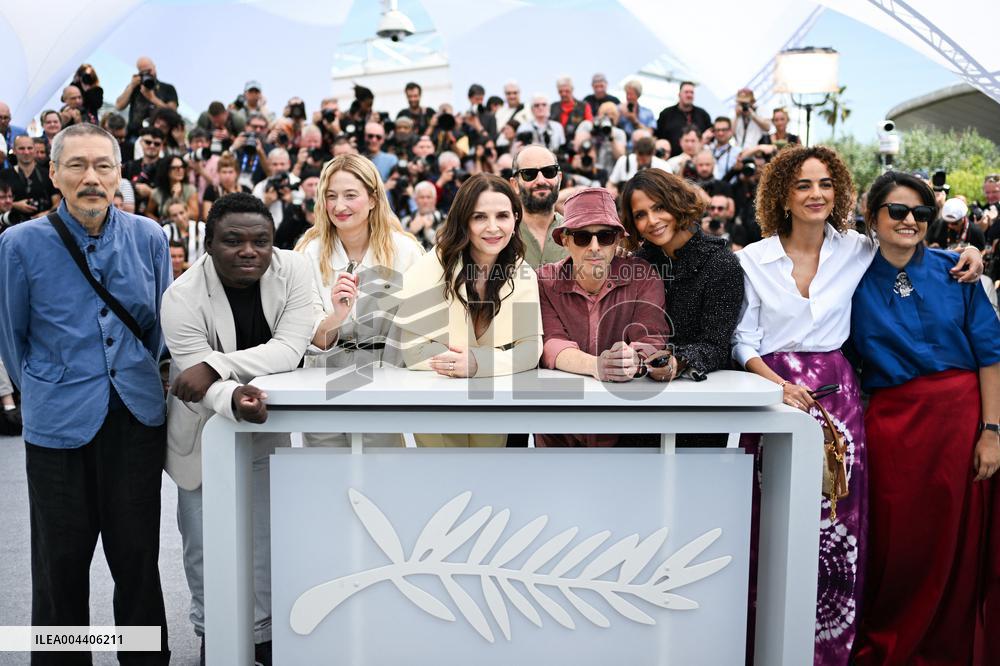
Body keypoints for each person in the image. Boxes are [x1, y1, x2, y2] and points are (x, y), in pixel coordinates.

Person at [731, 145, 983, 664]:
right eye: (803, 185)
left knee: (839, 524)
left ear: (839, 191)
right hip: (774, 393)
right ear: (782, 194)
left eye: (825, 184)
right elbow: (742, 340)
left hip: (839, 398)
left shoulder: (857, 249)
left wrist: (971, 255)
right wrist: (774, 383)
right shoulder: (752, 260)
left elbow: (908, 245)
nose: (816, 194)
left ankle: (830, 649)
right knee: (767, 515)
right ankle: (759, 640)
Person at [0, 123, 172, 663]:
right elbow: (11, 336)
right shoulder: (19, 244)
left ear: (120, 174)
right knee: (59, 563)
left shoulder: (148, 236)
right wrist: (48, 392)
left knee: (138, 558)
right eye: (77, 165)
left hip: (135, 420)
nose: (91, 177)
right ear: (54, 173)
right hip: (56, 427)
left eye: (103, 165)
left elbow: (161, 328)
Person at [847, 171, 1000, 665]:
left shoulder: (957, 270)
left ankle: (948, 651)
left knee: (959, 544)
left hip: (962, 423)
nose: (910, 221)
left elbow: (990, 354)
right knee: (898, 544)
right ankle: (891, 644)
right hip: (892, 426)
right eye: (897, 211)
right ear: (873, 217)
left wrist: (992, 432)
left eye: (921, 213)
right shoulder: (846, 277)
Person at [161, 192, 318, 666]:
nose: (248, 250)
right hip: (202, 432)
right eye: (233, 240)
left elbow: (289, 349)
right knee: (204, 547)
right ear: (208, 244)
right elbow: (190, 383)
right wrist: (227, 392)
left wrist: (213, 365)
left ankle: (264, 638)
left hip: (266, 427)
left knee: (265, 541)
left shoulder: (296, 271)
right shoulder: (181, 297)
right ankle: (214, 634)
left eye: (260, 241)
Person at [394, 174, 542, 447]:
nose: (493, 227)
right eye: (479, 217)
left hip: (491, 402)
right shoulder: (431, 267)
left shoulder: (522, 273)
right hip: (439, 403)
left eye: (502, 215)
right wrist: (462, 364)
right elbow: (413, 349)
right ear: (464, 221)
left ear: (515, 219)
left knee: (488, 480)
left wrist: (477, 364)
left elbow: (531, 349)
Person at [296, 154, 423, 447]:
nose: (339, 207)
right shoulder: (308, 254)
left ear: (373, 199)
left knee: (381, 483)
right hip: (323, 386)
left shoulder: (406, 252)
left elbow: (418, 327)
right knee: (326, 480)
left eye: (350, 195)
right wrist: (337, 316)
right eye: (331, 196)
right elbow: (310, 334)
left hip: (385, 389)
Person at [535, 188, 669, 447]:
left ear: (618, 239)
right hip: (558, 428)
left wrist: (634, 358)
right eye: (583, 237)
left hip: (624, 428)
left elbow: (652, 336)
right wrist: (598, 366)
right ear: (565, 239)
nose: (595, 247)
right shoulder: (544, 280)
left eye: (605, 236)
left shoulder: (643, 276)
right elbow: (551, 343)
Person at [509, 145, 567, 268]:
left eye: (549, 172)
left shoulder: (578, 233)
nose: (541, 180)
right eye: (529, 174)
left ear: (559, 179)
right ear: (515, 184)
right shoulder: (504, 234)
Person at [115, 56, 179, 141]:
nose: (148, 75)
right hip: (134, 135)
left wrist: (153, 99)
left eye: (149, 71)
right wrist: (131, 86)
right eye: (143, 73)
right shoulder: (135, 87)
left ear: (154, 67)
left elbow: (173, 113)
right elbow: (119, 106)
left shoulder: (168, 88)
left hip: (158, 138)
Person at [0, 134, 59, 225]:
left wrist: (46, 214)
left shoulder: (47, 174)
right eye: (22, 148)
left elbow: (57, 203)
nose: (26, 152)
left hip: (43, 224)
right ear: (14, 151)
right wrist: (15, 205)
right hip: (12, 226)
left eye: (30, 148)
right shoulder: (4, 175)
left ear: (35, 150)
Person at [655, 81, 712, 158]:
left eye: (692, 92)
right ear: (679, 94)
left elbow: (711, 135)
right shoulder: (666, 114)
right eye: (686, 92)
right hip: (670, 160)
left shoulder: (703, 114)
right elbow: (657, 136)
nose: (689, 95)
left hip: (697, 161)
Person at [148, 155, 199, 222]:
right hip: (165, 229)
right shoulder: (157, 192)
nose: (180, 170)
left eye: (182, 167)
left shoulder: (190, 189)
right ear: (166, 170)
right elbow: (148, 212)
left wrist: (176, 197)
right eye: (175, 168)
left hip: (184, 228)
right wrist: (158, 223)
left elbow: (195, 215)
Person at [402, 180, 445, 250]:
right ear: (415, 200)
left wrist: (428, 230)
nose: (425, 201)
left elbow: (446, 247)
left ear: (435, 199)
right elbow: (400, 247)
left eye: (428, 197)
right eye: (421, 197)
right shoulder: (406, 221)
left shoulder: (445, 219)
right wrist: (410, 232)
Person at [162, 199, 206, 263]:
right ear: (170, 217)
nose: (180, 218)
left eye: (181, 213)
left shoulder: (201, 227)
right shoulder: (167, 230)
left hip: (199, 269)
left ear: (187, 211)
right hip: (175, 271)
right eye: (174, 215)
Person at [550, 76, 593, 143]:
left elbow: (589, 125)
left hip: (578, 143)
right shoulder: (553, 107)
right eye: (560, 91)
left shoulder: (583, 106)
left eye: (567, 91)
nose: (563, 94)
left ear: (572, 90)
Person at [617, 80, 655, 144]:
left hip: (641, 147)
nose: (628, 97)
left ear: (638, 95)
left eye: (631, 94)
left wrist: (634, 120)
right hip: (623, 146)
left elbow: (649, 134)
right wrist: (619, 114)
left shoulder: (648, 113)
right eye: (627, 94)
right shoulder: (619, 108)